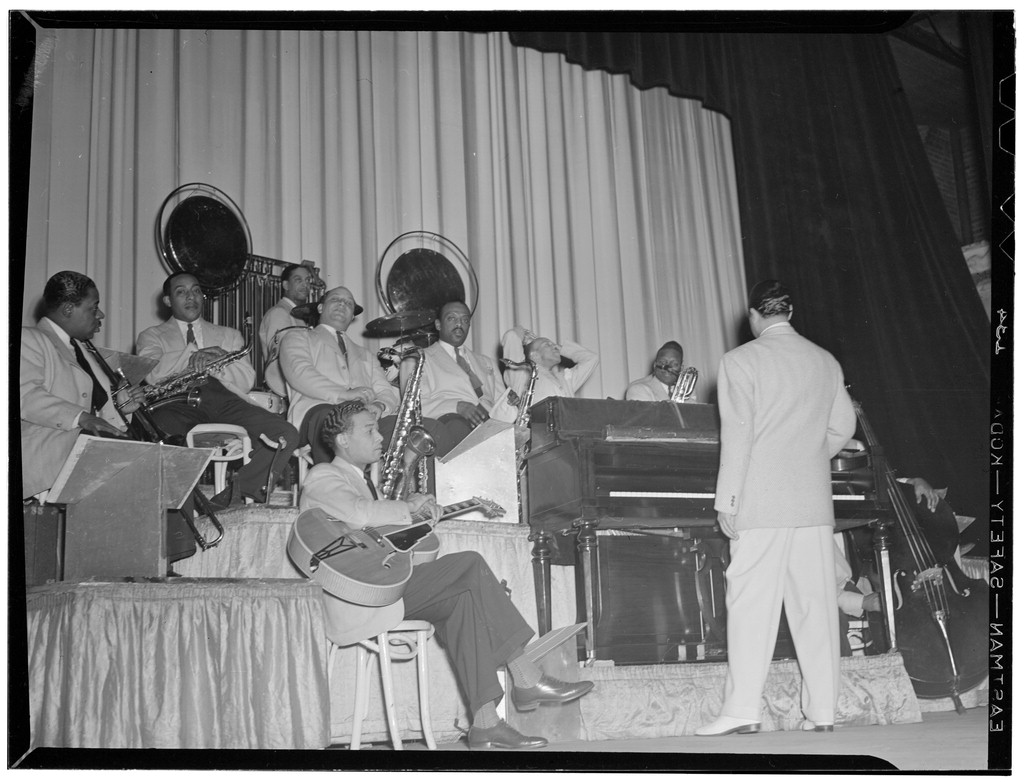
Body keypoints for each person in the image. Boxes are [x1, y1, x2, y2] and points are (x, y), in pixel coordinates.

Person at [299, 400, 594, 749]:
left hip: (379, 593)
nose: (380, 436)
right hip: (357, 602)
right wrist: (408, 506)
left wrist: (420, 519)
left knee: (461, 602)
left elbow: (380, 546)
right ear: (343, 441)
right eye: (370, 429)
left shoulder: (364, 484)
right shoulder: (323, 476)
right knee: (469, 563)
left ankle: (485, 724)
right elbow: (360, 515)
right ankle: (526, 675)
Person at [697, 279, 856, 736]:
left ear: (753, 316)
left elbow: (739, 436)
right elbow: (843, 426)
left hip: (761, 501)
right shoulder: (824, 360)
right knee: (816, 606)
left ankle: (744, 709)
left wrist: (728, 500)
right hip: (811, 502)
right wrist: (805, 460)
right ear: (790, 311)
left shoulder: (740, 360)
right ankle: (823, 711)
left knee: (750, 605)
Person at [136, 271, 299, 507]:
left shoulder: (229, 335)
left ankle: (232, 496)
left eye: (196, 290)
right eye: (181, 292)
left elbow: (245, 380)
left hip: (226, 401)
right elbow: (152, 374)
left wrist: (222, 359)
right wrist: (194, 355)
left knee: (286, 434)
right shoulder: (151, 336)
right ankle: (182, 512)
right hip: (178, 403)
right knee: (162, 435)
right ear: (168, 301)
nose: (190, 297)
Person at [20, 271, 146, 500]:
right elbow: (25, 395)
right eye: (93, 307)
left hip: (85, 446)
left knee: (154, 454)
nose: (101, 314)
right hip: (47, 455)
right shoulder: (27, 339)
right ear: (68, 309)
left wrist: (122, 408)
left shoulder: (83, 350)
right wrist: (82, 417)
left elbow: (98, 411)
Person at [279, 285, 399, 465]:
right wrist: (343, 394)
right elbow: (300, 373)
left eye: (349, 303)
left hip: (365, 419)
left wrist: (380, 406)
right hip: (318, 413)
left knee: (410, 427)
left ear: (352, 316)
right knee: (332, 419)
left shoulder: (365, 353)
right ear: (320, 307)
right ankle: (336, 489)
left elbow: (385, 391)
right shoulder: (297, 337)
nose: (342, 305)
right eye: (335, 299)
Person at [415, 300, 514, 457]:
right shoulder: (421, 358)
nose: (459, 324)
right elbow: (416, 406)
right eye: (452, 318)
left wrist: (510, 403)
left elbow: (499, 406)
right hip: (451, 424)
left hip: (489, 428)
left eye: (465, 320)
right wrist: (456, 406)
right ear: (438, 325)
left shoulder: (486, 362)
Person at [500, 325, 598, 405]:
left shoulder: (564, 377)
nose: (554, 347)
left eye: (554, 345)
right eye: (547, 345)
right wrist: (523, 332)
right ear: (534, 355)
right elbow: (511, 336)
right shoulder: (521, 373)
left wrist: (563, 349)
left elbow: (591, 359)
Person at [258, 263, 314, 397]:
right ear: (285, 285)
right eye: (298, 280)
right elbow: (281, 358)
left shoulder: (296, 314)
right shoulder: (280, 313)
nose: (305, 285)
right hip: (285, 392)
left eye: (307, 280)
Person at [625, 341, 695, 402]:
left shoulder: (688, 392)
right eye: (663, 362)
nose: (668, 367)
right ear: (655, 365)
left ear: (681, 368)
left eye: (674, 364)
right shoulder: (637, 389)